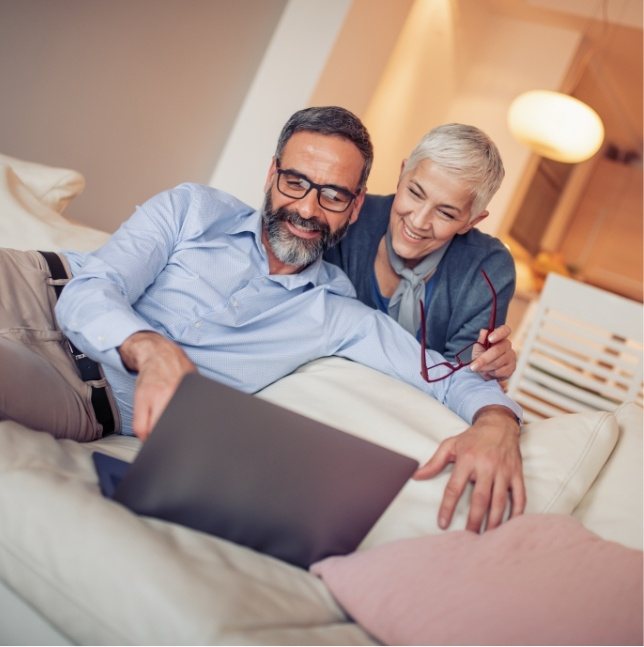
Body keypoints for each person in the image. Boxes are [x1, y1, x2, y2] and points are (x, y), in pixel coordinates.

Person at [0, 106, 524, 533]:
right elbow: (91, 290)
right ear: (272, 174)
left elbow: (445, 376)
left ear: (357, 204)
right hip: (35, 285)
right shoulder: (192, 208)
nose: (307, 208)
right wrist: (151, 349)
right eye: (296, 181)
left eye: (333, 194)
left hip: (76, 393)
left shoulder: (340, 315)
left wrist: (497, 422)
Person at [324, 123, 516, 381]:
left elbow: (457, 380)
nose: (418, 221)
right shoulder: (349, 217)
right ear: (402, 173)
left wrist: (484, 370)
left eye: (446, 213)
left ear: (471, 221)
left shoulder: (488, 268)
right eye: (415, 193)